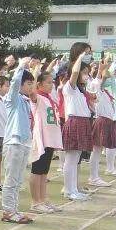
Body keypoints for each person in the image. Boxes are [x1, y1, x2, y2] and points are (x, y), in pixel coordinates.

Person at [0, 58, 36, 224]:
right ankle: (8, 210)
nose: (31, 87)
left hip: (23, 143)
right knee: (11, 178)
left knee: (18, 179)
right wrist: (21, 67)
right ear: (21, 84)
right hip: (13, 143)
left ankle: (13, 209)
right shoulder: (12, 99)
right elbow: (14, 84)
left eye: (31, 84)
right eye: (28, 83)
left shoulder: (25, 101)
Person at [61, 50, 93, 202]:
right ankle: (68, 190)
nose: (87, 75)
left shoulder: (80, 91)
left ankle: (73, 189)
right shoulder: (70, 87)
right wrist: (80, 58)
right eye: (85, 72)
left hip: (83, 122)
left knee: (76, 159)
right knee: (71, 158)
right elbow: (74, 73)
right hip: (74, 122)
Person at [29, 70, 63, 213]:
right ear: (39, 84)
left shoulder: (49, 98)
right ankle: (35, 202)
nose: (51, 85)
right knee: (37, 171)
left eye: (52, 82)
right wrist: (35, 73)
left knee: (44, 172)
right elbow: (32, 94)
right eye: (48, 82)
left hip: (50, 139)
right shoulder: (38, 98)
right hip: (41, 138)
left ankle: (43, 199)